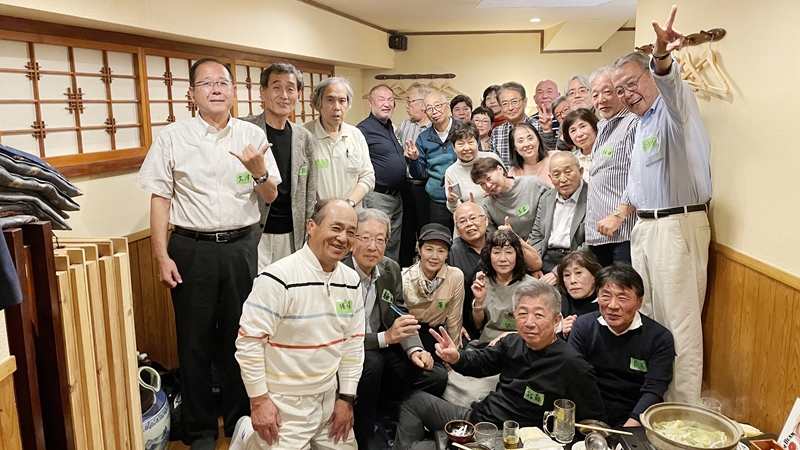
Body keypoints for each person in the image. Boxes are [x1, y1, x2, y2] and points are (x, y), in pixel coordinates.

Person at [135, 58, 281, 450]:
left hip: (240, 248)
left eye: (222, 82)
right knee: (193, 340)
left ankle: (239, 422)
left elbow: (270, 195)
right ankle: (199, 429)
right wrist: (160, 256)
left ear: (233, 91)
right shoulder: (173, 137)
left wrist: (258, 170)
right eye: (206, 83)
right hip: (191, 248)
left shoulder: (251, 135)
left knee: (241, 335)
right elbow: (160, 198)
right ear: (192, 93)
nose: (215, 89)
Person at [611, 5, 711, 403]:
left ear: (649, 75)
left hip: (676, 225)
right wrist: (623, 211)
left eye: (631, 84)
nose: (626, 95)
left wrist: (661, 54)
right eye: (620, 90)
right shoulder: (640, 125)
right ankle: (655, 406)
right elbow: (638, 185)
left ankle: (683, 413)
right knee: (650, 320)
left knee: (679, 325)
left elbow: (670, 82)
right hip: (646, 227)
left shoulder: (674, 111)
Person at [393, 279, 607, 450]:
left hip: (510, 440)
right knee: (414, 401)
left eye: (538, 314)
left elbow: (592, 425)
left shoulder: (573, 365)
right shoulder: (512, 342)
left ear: (556, 320)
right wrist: (456, 356)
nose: (529, 322)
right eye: (522, 313)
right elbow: (480, 362)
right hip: (477, 419)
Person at [231, 199, 363, 450]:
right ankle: (247, 434)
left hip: (329, 399)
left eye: (351, 232)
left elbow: (353, 344)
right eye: (335, 228)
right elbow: (249, 343)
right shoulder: (278, 278)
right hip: (283, 405)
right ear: (311, 226)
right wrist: (259, 402)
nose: (342, 238)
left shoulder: (351, 280)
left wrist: (346, 398)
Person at [342, 209, 447, 450]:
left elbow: (399, 310)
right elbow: (339, 335)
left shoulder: (389, 269)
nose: (373, 246)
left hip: (383, 345)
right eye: (365, 238)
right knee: (373, 363)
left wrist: (415, 350)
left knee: (435, 375)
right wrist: (385, 338)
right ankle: (363, 435)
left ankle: (392, 413)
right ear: (353, 239)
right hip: (349, 349)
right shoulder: (338, 271)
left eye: (380, 239)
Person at [569, 263, 675, 428]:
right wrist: (590, 424)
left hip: (635, 417)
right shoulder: (583, 326)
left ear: (639, 302)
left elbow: (654, 389)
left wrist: (630, 427)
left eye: (622, 298)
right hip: (589, 415)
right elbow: (574, 378)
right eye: (605, 296)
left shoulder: (659, 337)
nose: (612, 305)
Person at [241, 62, 316, 270]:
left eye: (290, 89)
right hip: (253, 233)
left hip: (292, 235)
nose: (284, 95)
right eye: (276, 87)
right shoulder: (245, 130)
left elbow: (310, 190)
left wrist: (308, 234)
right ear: (262, 92)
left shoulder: (304, 137)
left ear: (298, 96)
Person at [585, 67, 639, 266]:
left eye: (608, 91)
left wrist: (619, 215)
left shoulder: (633, 123)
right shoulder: (602, 126)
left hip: (623, 232)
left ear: (620, 91)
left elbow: (640, 177)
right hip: (598, 235)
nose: (601, 99)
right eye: (595, 95)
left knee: (623, 285)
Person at [304, 77, 375, 207]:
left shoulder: (356, 135)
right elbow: (298, 182)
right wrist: (323, 210)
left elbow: (368, 176)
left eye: (342, 101)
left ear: (348, 105)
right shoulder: (304, 135)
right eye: (330, 100)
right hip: (317, 215)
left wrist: (348, 204)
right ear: (319, 103)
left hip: (352, 213)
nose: (336, 107)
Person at [357, 84, 406, 261]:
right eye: (381, 99)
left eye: (390, 100)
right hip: (377, 196)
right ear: (370, 103)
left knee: (392, 243)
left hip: (397, 196)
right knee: (375, 242)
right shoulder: (363, 130)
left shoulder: (390, 126)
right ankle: (373, 275)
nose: (387, 104)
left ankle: (389, 275)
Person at [401, 223, 464, 357]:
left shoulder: (455, 276)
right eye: (429, 249)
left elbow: (454, 320)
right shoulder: (405, 279)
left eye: (441, 251)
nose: (434, 256)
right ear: (419, 249)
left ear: (447, 254)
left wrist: (453, 355)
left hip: (436, 335)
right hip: (410, 334)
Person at [469, 229, 535, 348]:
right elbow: (477, 326)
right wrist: (479, 302)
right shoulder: (481, 280)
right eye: (496, 252)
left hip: (520, 345)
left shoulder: (532, 285)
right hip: (487, 344)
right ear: (489, 255)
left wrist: (507, 337)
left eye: (508, 252)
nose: (502, 259)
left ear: (517, 255)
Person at [528, 152, 588, 280]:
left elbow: (589, 244)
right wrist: (535, 266)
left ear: (580, 171)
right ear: (550, 178)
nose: (563, 179)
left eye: (568, 172)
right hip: (546, 257)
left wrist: (557, 273)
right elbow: (536, 235)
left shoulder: (592, 197)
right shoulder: (546, 198)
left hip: (577, 260)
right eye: (556, 175)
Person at [407, 92, 458, 231]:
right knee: (440, 238)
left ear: (447, 106)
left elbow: (477, 161)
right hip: (437, 200)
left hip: (463, 197)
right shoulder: (423, 137)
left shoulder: (463, 129)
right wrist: (414, 159)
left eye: (437, 106)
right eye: (429, 108)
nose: (434, 112)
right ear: (425, 113)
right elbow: (417, 173)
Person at [396, 83, 433, 268]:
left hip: (427, 187)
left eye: (410, 101)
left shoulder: (435, 127)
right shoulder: (404, 126)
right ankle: (404, 270)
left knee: (427, 231)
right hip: (405, 186)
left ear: (423, 104)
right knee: (405, 233)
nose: (407, 106)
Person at [471, 157, 549, 240]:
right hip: (513, 246)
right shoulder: (488, 204)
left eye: (489, 178)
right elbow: (493, 237)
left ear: (500, 169)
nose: (488, 185)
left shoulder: (533, 184)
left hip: (546, 240)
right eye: (482, 184)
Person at [448, 202, 492, 345]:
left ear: (485, 220)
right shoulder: (452, 251)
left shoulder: (499, 243)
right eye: (462, 221)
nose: (469, 224)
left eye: (473, 218)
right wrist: (456, 325)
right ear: (457, 228)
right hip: (467, 323)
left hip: (500, 318)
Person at [444, 121, 503, 213]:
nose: (467, 148)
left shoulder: (492, 158)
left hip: (501, 212)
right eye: (461, 144)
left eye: (470, 142)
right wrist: (452, 201)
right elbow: (456, 210)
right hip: (474, 217)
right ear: (454, 147)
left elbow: (508, 184)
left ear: (477, 143)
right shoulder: (451, 172)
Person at [488, 82, 544, 168]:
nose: (510, 108)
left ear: (525, 102)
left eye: (514, 102)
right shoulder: (497, 132)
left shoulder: (539, 126)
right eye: (505, 104)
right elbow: (494, 165)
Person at [555, 250, 603, 340]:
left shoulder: (605, 303)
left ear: (594, 276)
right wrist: (562, 334)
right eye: (567, 275)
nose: (572, 280)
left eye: (578, 273)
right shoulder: (559, 303)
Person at [562, 108, 599, 183]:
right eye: (573, 130)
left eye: (582, 126)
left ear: (595, 127)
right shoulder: (570, 159)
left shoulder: (607, 153)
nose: (579, 134)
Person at [532, 79, 561, 151]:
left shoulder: (565, 118)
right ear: (535, 98)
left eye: (549, 92)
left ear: (558, 96)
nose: (545, 96)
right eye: (540, 92)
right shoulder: (530, 122)